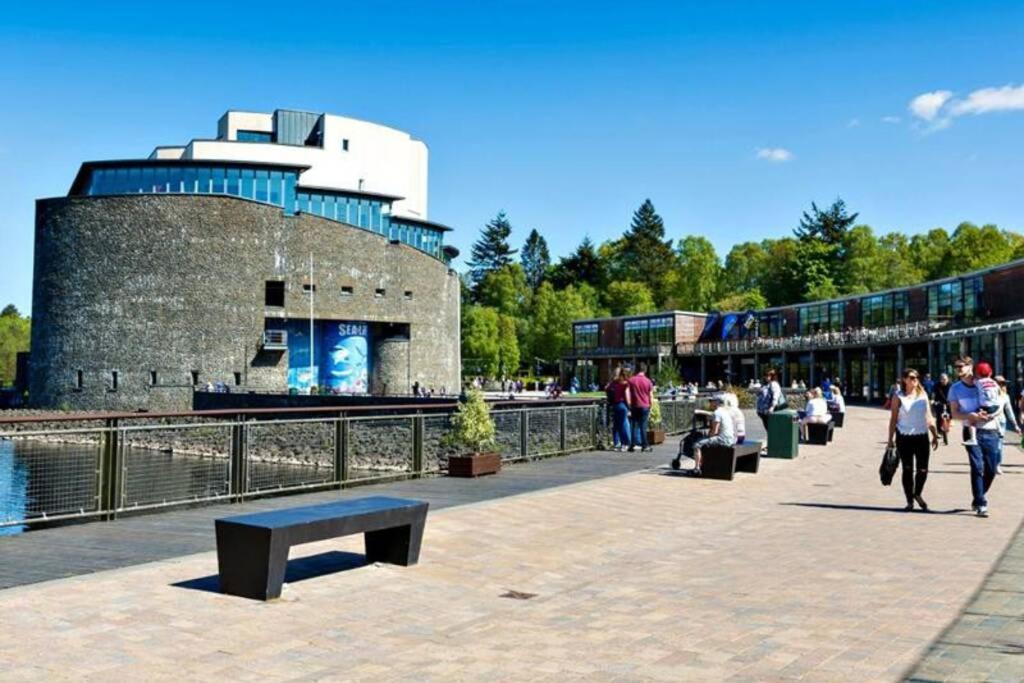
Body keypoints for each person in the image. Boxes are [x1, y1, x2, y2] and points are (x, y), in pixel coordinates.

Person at [948, 356, 1002, 517]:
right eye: (956, 367)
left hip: (990, 429)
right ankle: (981, 503)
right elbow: (954, 413)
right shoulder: (955, 389)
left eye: (961, 366)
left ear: (971, 366)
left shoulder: (987, 382)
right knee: (977, 467)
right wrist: (970, 415)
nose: (958, 369)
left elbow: (1000, 403)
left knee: (991, 469)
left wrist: (991, 415)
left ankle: (978, 495)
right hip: (971, 430)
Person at [886, 369, 940, 512]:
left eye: (917, 377)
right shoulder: (898, 396)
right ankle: (909, 501)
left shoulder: (923, 395)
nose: (915, 379)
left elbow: (929, 416)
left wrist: (935, 434)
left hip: (921, 436)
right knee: (907, 469)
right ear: (904, 379)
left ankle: (917, 493)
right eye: (911, 377)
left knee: (923, 469)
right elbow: (893, 419)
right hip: (904, 437)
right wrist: (890, 440)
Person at [689, 394, 737, 476]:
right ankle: (703, 464)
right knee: (705, 441)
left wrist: (708, 436)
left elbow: (714, 431)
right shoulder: (724, 411)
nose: (709, 403)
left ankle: (697, 469)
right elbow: (712, 415)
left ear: (716, 403)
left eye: (711, 401)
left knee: (697, 444)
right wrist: (700, 411)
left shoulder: (717, 413)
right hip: (731, 438)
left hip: (723, 440)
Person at [994, 375, 1020, 475]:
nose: (1003, 385)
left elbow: (1009, 412)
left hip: (1001, 422)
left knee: (999, 445)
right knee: (989, 444)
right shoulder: (988, 394)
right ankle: (988, 463)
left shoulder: (1005, 396)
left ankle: (997, 465)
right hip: (988, 422)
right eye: (1001, 383)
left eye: (1004, 384)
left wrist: (1015, 425)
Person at [755, 368, 784, 452]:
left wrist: (772, 407)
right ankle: (770, 445)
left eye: (768, 376)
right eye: (765, 375)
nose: (766, 377)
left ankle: (772, 446)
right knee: (769, 430)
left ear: (773, 376)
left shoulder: (774, 384)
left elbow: (776, 396)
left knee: (771, 429)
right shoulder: (766, 385)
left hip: (768, 411)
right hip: (763, 411)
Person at [628, 363, 654, 452]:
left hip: (634, 405)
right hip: (645, 405)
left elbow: (628, 393)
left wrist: (629, 405)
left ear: (636, 370)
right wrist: (651, 406)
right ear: (645, 370)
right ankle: (645, 445)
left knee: (634, 425)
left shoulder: (631, 380)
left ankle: (632, 444)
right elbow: (651, 396)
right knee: (643, 426)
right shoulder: (648, 381)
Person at [605, 368, 632, 452]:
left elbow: (606, 389)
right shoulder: (625, 384)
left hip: (614, 405)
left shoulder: (614, 383)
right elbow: (627, 398)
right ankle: (626, 443)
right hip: (622, 405)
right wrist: (630, 407)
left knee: (616, 425)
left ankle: (617, 443)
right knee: (623, 425)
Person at [932, 373, 952, 446]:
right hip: (939, 402)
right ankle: (939, 431)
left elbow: (954, 394)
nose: (943, 381)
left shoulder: (950, 385)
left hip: (949, 402)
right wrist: (933, 400)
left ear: (947, 379)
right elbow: (933, 394)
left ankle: (949, 424)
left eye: (945, 379)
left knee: (950, 415)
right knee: (938, 417)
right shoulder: (936, 385)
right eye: (942, 379)